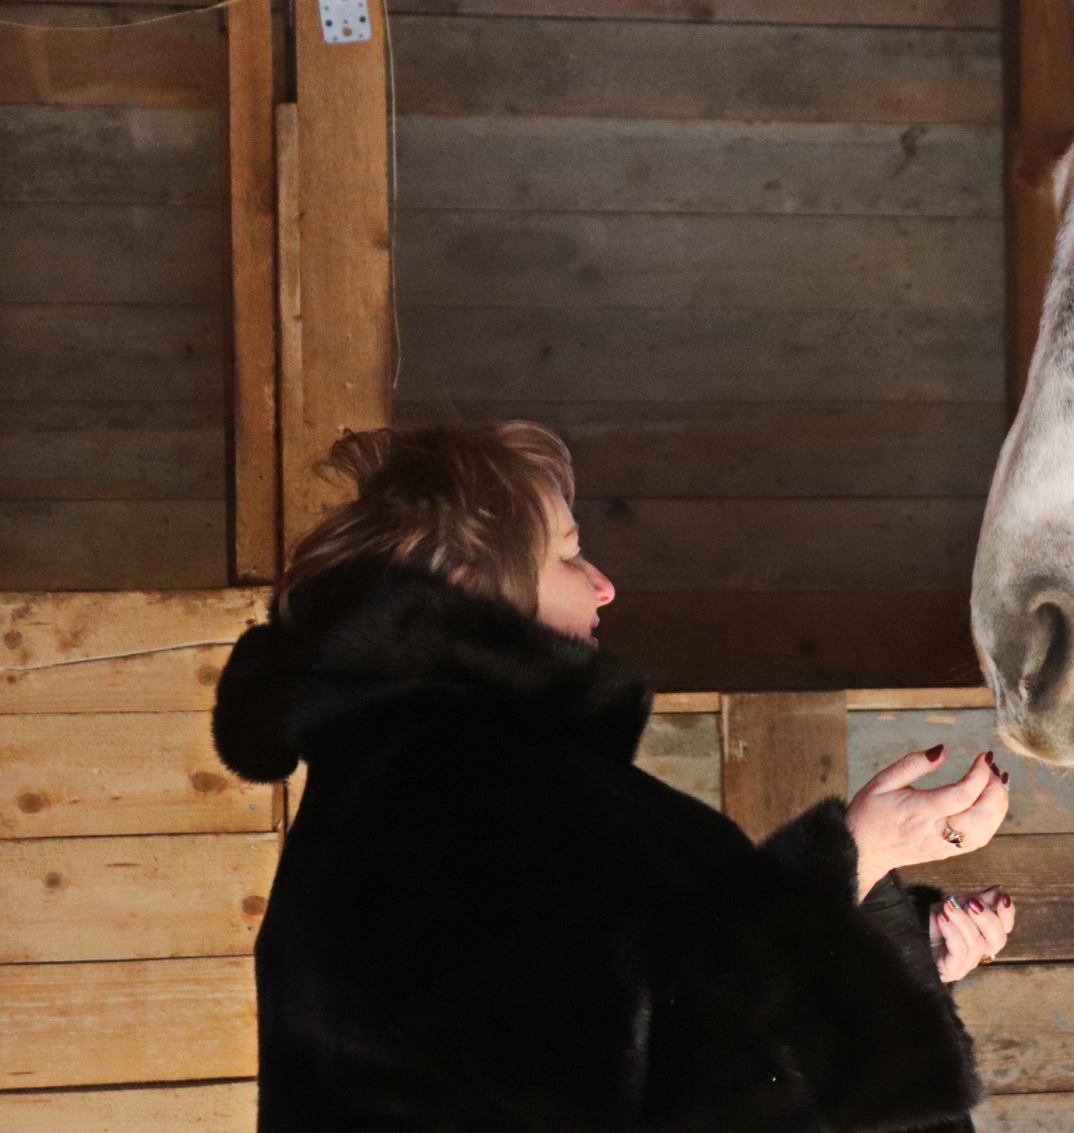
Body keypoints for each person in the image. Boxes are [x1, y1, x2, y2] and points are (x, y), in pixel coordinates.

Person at [212, 422, 1013, 1132]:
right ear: (463, 582)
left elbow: (632, 1001)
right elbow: (659, 1073)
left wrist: (878, 943)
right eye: (566, 554)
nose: (603, 584)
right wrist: (848, 863)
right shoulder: (438, 795)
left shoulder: (465, 777)